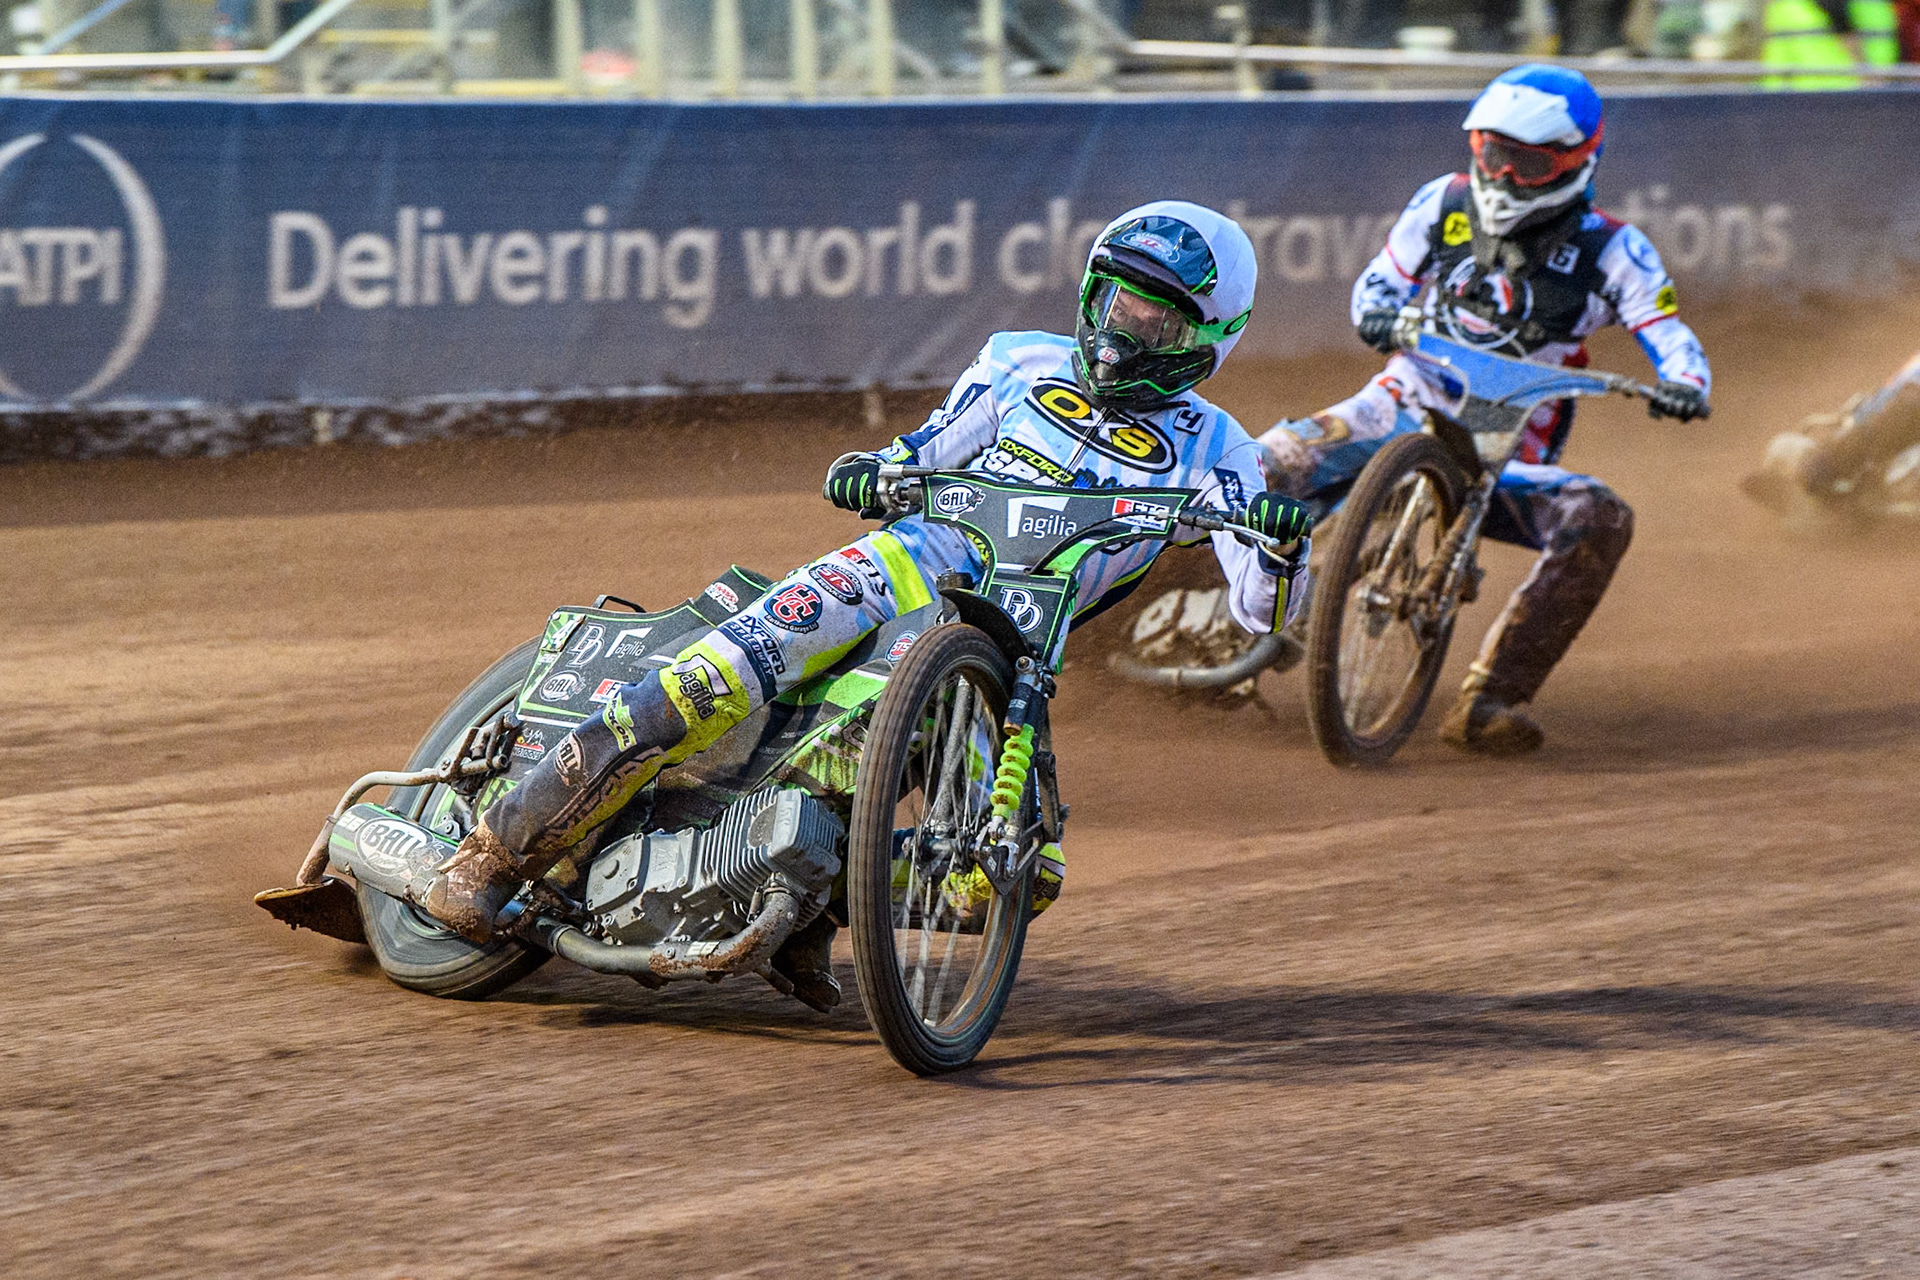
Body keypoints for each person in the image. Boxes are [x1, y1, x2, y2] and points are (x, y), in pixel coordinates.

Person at [419, 200, 1313, 1007]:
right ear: (1091, 292)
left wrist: (1281, 544)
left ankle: (796, 908)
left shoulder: (1223, 452)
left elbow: (1262, 612)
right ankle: (488, 854)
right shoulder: (1017, 361)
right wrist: (879, 469)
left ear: (1212, 335)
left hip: (1012, 648)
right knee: (713, 678)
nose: (1129, 329)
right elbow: (926, 448)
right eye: (1121, 301)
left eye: (1158, 318)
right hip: (905, 562)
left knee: (1015, 875)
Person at [1237, 64, 1708, 756]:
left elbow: (1667, 332)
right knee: (1253, 468)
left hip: (1504, 449)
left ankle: (1491, 697)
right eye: (1495, 155)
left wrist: (1685, 381)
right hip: (1397, 403)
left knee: (1599, 516)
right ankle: (1132, 612)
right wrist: (1375, 315)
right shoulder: (1442, 203)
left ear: (1577, 162)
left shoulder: (1614, 250)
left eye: (1528, 161)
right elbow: (1381, 282)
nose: (1507, 176)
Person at [1742, 347, 1920, 513]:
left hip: (1881, 442)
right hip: (1873, 444)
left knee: (1899, 413)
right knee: (1787, 449)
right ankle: (1824, 485)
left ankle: (1824, 484)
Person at [1761, 0, 1900, 88]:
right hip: (1806, 103)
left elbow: (1882, 53)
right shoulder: (1784, 6)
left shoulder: (1784, 6)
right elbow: (1776, 67)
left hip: (1852, 100)